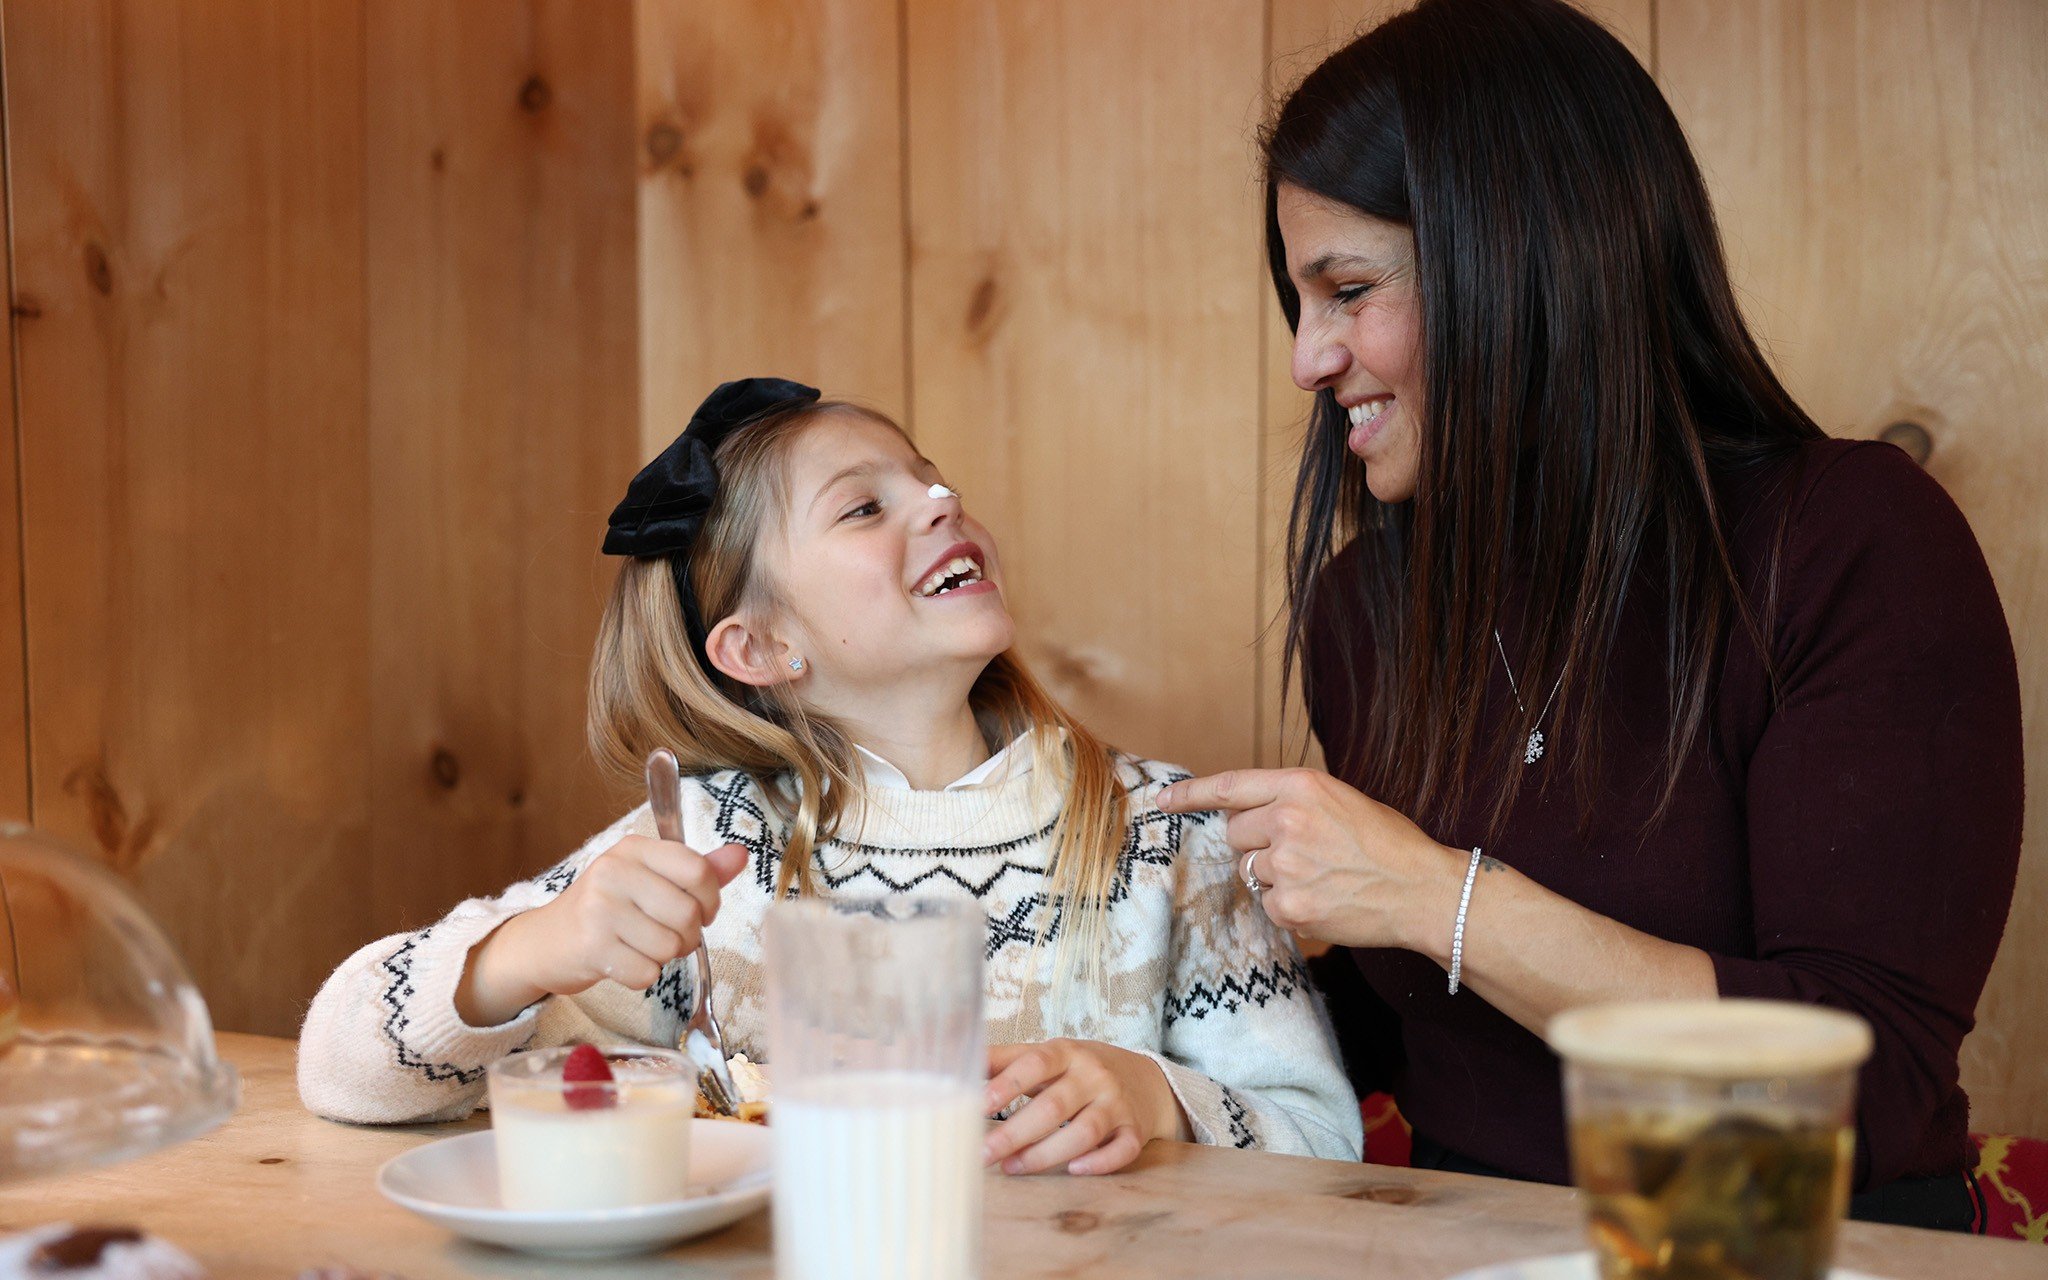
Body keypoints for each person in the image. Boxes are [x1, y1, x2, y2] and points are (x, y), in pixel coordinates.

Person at [1155, 0, 2020, 1230]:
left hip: (1776, 1242)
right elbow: (1427, 1029)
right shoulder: (1369, 602)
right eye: (1299, 299)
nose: (1307, 357)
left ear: (1519, 256)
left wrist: (1429, 894)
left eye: (1346, 289)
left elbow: (1861, 1075)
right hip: (1456, 1243)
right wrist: (1146, 1057)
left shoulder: (1847, 543)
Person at [298, 378, 1362, 1173]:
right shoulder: (708, 853)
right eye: (864, 507)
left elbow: (1327, 1143)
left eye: (930, 478)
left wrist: (1157, 1094)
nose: (940, 499)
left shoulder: (1164, 834)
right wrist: (537, 946)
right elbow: (341, 1067)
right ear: (759, 650)